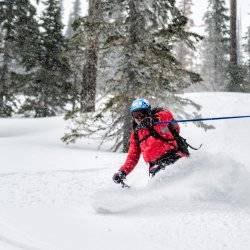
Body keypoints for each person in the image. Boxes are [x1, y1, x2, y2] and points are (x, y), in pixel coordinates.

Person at [113, 98, 189, 184]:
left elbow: (167, 115)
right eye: (135, 115)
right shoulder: (136, 134)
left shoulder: (159, 121)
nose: (139, 118)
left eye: (141, 114)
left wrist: (154, 119)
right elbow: (132, 156)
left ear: (148, 112)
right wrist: (123, 172)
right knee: (160, 188)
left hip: (173, 157)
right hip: (155, 166)